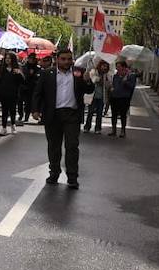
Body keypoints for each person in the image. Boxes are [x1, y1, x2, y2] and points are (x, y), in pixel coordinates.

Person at [31, 47, 93, 188]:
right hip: (53, 115)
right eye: (63, 59)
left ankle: (72, 177)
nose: (66, 61)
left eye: (69, 59)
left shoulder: (79, 73)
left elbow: (89, 90)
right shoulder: (47, 74)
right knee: (54, 146)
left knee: (72, 146)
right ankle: (54, 173)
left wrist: (88, 80)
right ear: (57, 60)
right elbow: (37, 93)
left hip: (72, 115)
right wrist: (35, 110)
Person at [0, 53, 24, 133]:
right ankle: (4, 128)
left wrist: (19, 74)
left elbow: (22, 81)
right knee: (4, 111)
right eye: (6, 58)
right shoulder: (2, 69)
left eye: (9, 58)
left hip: (14, 94)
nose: (7, 60)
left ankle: (13, 125)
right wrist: (0, 90)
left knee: (12, 110)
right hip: (4, 94)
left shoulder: (17, 69)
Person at [109, 60, 137, 137]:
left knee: (123, 115)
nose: (117, 68)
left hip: (124, 98)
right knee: (114, 114)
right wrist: (111, 88)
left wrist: (125, 82)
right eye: (117, 67)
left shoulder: (130, 76)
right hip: (114, 97)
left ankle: (123, 131)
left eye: (119, 67)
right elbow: (113, 85)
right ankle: (113, 130)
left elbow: (131, 87)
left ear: (124, 67)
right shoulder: (115, 76)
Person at [83, 59, 111, 133]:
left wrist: (106, 81)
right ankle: (87, 127)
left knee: (99, 113)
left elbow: (109, 85)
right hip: (93, 96)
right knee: (90, 112)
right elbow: (93, 80)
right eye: (103, 66)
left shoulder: (107, 75)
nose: (104, 68)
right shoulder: (94, 71)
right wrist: (99, 79)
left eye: (106, 66)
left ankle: (98, 128)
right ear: (100, 65)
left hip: (101, 96)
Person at [20, 55, 41, 122]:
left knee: (31, 103)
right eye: (30, 58)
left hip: (33, 88)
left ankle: (29, 115)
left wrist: (33, 74)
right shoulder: (24, 67)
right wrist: (28, 74)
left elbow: (38, 77)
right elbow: (23, 76)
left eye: (33, 59)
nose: (31, 60)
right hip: (24, 87)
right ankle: (22, 115)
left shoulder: (37, 68)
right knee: (24, 103)